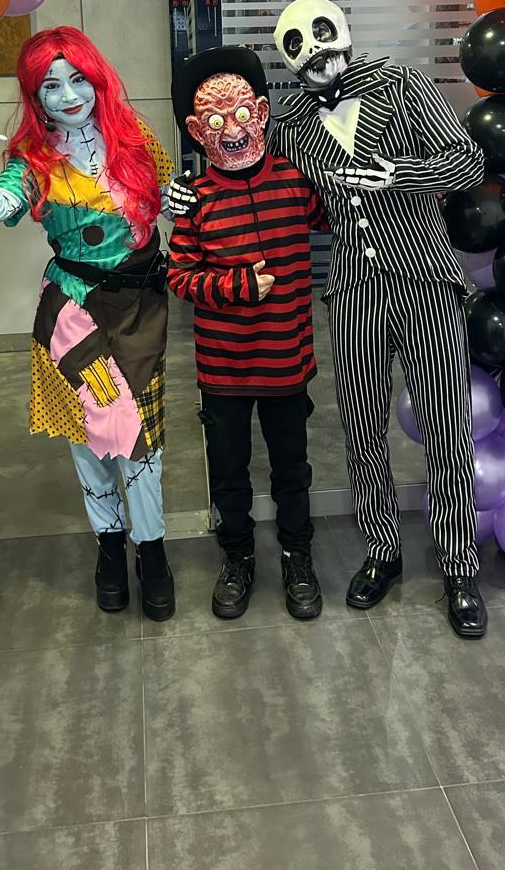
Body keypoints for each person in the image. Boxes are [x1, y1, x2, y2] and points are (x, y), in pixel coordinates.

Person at [0, 26, 176, 622]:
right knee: (89, 437)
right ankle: (110, 547)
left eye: (77, 80)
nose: (68, 96)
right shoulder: (33, 159)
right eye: (50, 86)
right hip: (72, 312)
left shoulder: (135, 137)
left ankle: (153, 552)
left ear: (98, 79)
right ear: (34, 95)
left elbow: (170, 197)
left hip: (142, 309)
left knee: (142, 440)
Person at [270, 0, 489, 639]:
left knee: (446, 427)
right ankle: (382, 550)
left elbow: (467, 163)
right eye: (297, 45)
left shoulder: (402, 83)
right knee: (361, 426)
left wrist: (399, 174)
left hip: (424, 278)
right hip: (353, 289)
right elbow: (249, 172)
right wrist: (188, 194)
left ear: (342, 32)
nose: (315, 53)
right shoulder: (292, 127)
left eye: (321, 34)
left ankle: (458, 565)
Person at [168, 47, 328, 621]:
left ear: (260, 112)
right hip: (223, 368)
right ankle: (236, 556)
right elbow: (179, 276)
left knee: (292, 467)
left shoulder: (297, 182)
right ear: (196, 130)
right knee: (228, 470)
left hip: (286, 360)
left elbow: (347, 216)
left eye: (240, 113)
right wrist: (236, 285)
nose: (231, 129)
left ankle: (297, 554)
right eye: (214, 120)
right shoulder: (196, 199)